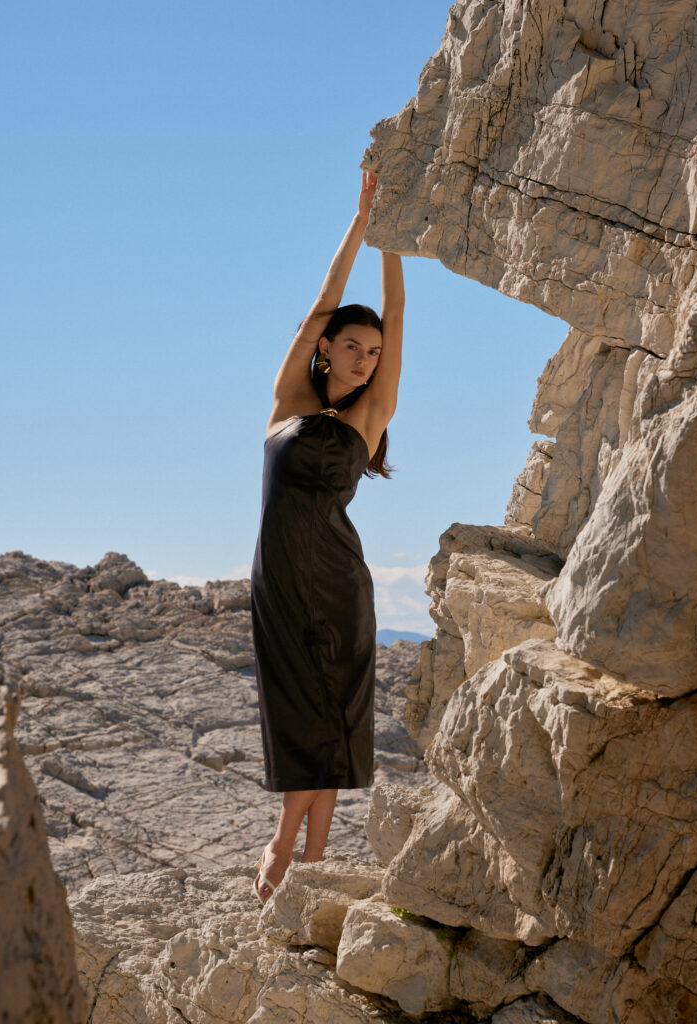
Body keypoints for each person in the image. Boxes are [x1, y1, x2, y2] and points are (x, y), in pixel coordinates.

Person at [250, 171, 404, 904]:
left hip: (341, 584)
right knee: (297, 708)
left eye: (371, 353)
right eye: (351, 346)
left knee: (336, 718)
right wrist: (364, 219)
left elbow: (397, 316)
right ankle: (286, 845)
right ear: (325, 350)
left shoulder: (365, 422)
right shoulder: (288, 399)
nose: (363, 359)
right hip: (281, 580)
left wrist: (395, 244)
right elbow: (318, 304)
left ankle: (303, 861)